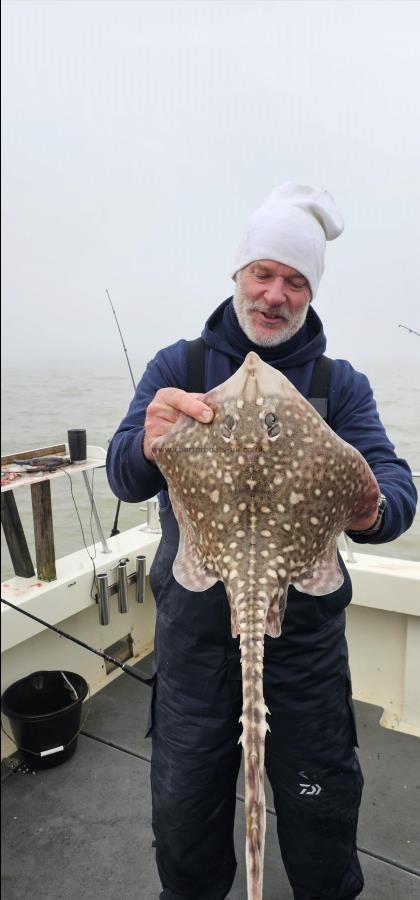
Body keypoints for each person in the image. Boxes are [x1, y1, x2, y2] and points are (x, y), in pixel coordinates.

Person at [106, 182, 417, 900]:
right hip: (193, 646)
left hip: (305, 651)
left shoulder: (340, 385)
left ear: (310, 293)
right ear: (239, 274)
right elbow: (125, 474)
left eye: (295, 281)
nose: (275, 294)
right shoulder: (175, 369)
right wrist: (149, 441)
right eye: (263, 273)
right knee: (184, 812)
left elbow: (397, 492)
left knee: (321, 808)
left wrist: (370, 511)